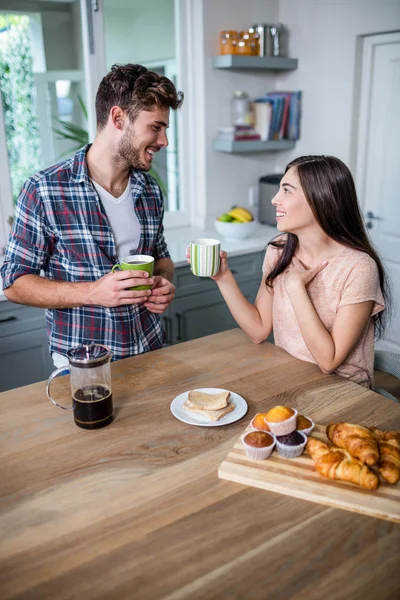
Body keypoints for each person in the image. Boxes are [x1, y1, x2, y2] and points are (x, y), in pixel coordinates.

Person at [1, 64, 184, 366]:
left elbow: (160, 257)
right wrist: (93, 292)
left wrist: (163, 283)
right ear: (118, 118)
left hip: (149, 350)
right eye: (156, 127)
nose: (164, 140)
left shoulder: (149, 190)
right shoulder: (45, 190)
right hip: (84, 366)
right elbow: (13, 283)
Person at [198, 155, 391, 389]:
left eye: (287, 190)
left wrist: (296, 287)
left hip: (344, 393)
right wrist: (223, 278)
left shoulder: (358, 267)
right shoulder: (279, 251)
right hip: (289, 379)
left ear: (320, 199)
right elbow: (258, 330)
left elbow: (329, 362)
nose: (274, 200)